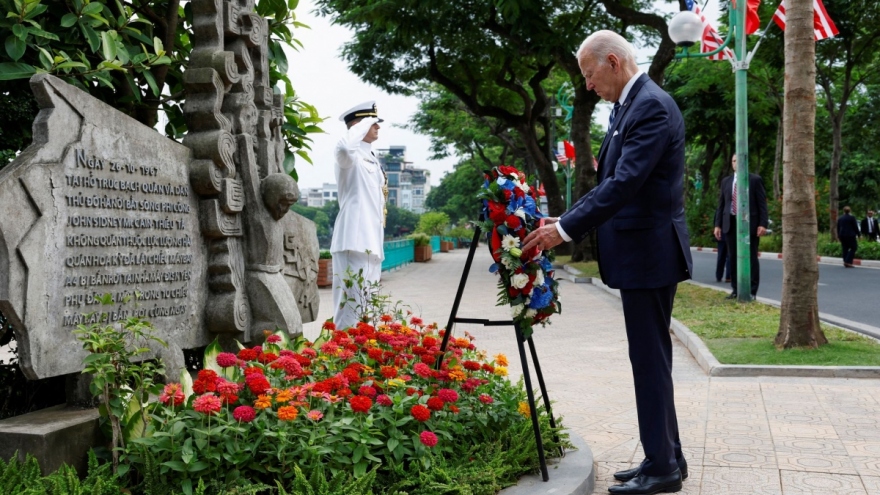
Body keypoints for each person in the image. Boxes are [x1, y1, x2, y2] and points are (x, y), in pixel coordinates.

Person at [522, 30, 692, 495]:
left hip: (650, 253)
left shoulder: (650, 106)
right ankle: (666, 457)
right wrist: (568, 216)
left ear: (613, 62)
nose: (589, 85)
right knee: (650, 358)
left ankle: (662, 468)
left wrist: (565, 230)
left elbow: (625, 183)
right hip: (642, 253)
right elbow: (611, 183)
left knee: (650, 360)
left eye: (589, 74)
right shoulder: (627, 108)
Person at [331, 101, 387, 329]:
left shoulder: (371, 157)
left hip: (372, 240)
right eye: (373, 123)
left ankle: (361, 354)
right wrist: (360, 126)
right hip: (353, 240)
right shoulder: (349, 157)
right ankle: (342, 355)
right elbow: (344, 148)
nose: (377, 127)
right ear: (358, 126)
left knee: (368, 307)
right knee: (350, 305)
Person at [713, 155, 768, 300]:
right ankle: (736, 290)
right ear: (732, 164)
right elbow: (721, 204)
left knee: (751, 257)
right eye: (733, 161)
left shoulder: (755, 180)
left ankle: (752, 291)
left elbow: (762, 203)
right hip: (730, 222)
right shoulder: (726, 181)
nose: (736, 163)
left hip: (749, 223)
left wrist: (763, 224)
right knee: (732, 257)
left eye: (739, 160)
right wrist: (717, 225)